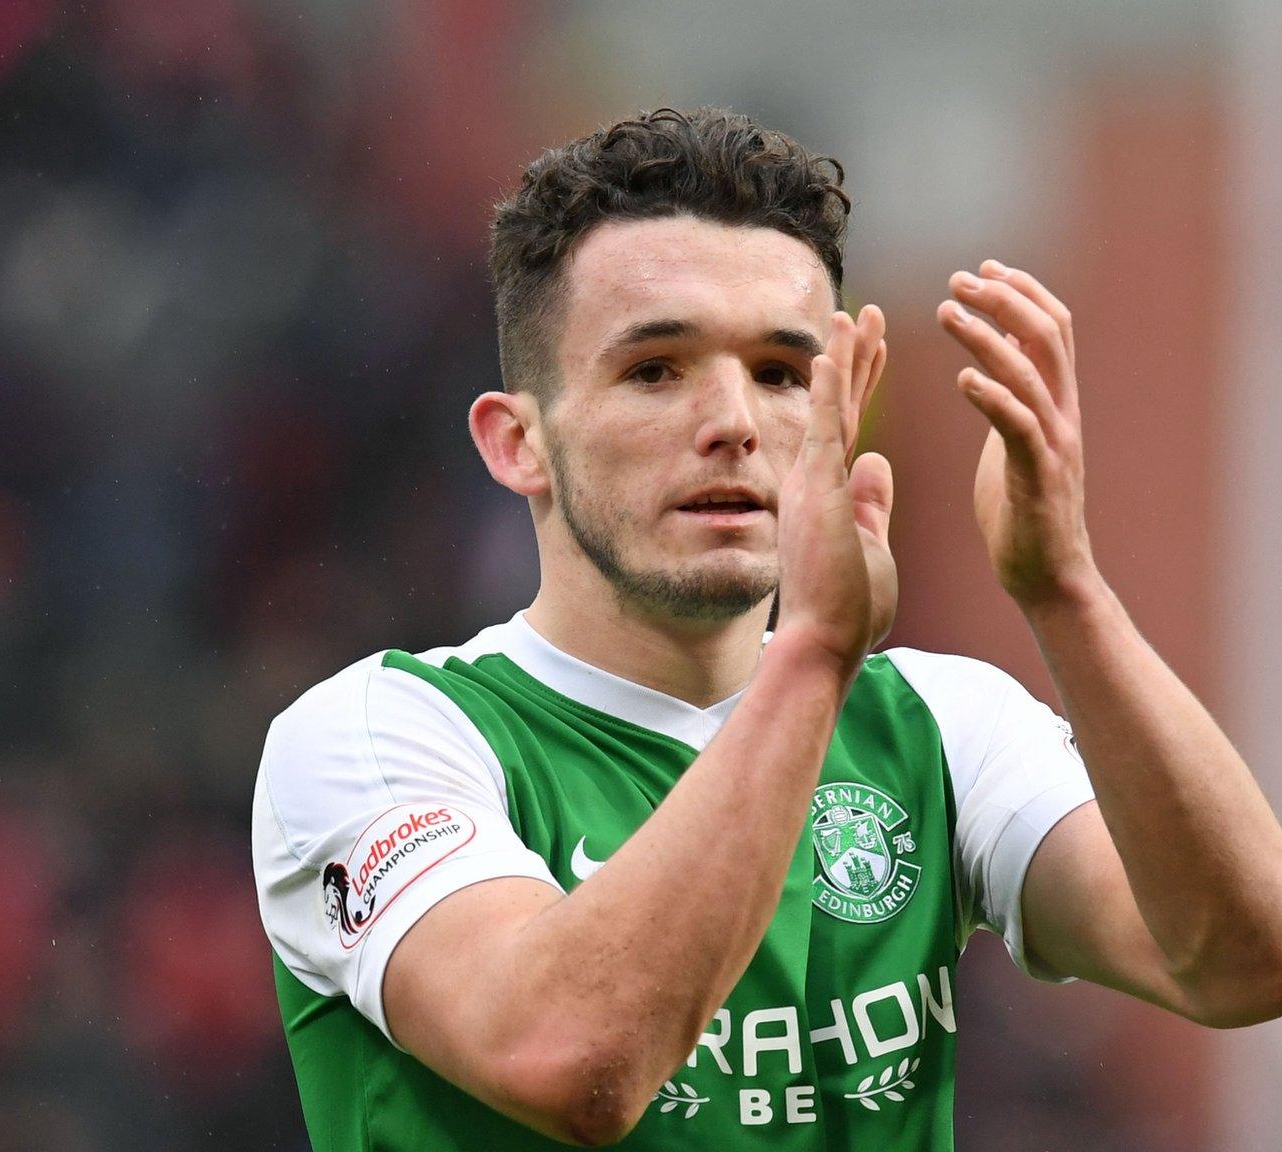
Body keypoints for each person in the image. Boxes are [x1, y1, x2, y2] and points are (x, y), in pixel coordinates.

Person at [252, 107, 1282, 1150]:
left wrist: (1063, 591)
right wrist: (813, 657)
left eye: (782, 373)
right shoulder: (377, 740)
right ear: (516, 442)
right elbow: (570, 1061)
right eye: (654, 368)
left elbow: (1242, 961)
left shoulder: (939, 728)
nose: (733, 421)